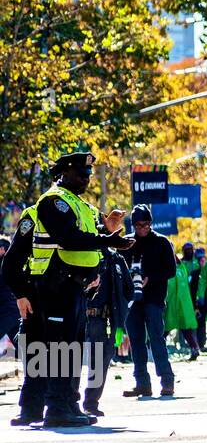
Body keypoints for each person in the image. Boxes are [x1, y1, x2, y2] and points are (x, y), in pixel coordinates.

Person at [9, 152, 132, 426]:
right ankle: (55, 408)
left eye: (89, 173)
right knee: (55, 349)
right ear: (64, 172)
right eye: (81, 173)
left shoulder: (82, 206)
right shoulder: (54, 202)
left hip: (72, 288)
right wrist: (20, 294)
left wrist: (106, 235)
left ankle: (59, 405)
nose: (87, 178)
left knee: (63, 348)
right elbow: (69, 239)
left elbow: (88, 241)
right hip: (52, 287)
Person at [124, 205, 177, 399]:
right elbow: (119, 269)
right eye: (138, 225)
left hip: (153, 299)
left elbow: (171, 270)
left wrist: (150, 278)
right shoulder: (127, 243)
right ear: (133, 225)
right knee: (136, 342)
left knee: (156, 339)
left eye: (146, 224)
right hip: (132, 301)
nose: (142, 228)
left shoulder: (162, 242)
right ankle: (142, 383)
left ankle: (167, 381)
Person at [82, 246, 132, 417]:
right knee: (68, 358)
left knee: (101, 362)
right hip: (80, 316)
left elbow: (129, 290)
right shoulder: (82, 251)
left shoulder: (116, 258)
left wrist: (119, 318)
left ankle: (90, 403)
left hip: (106, 321)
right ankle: (66, 402)